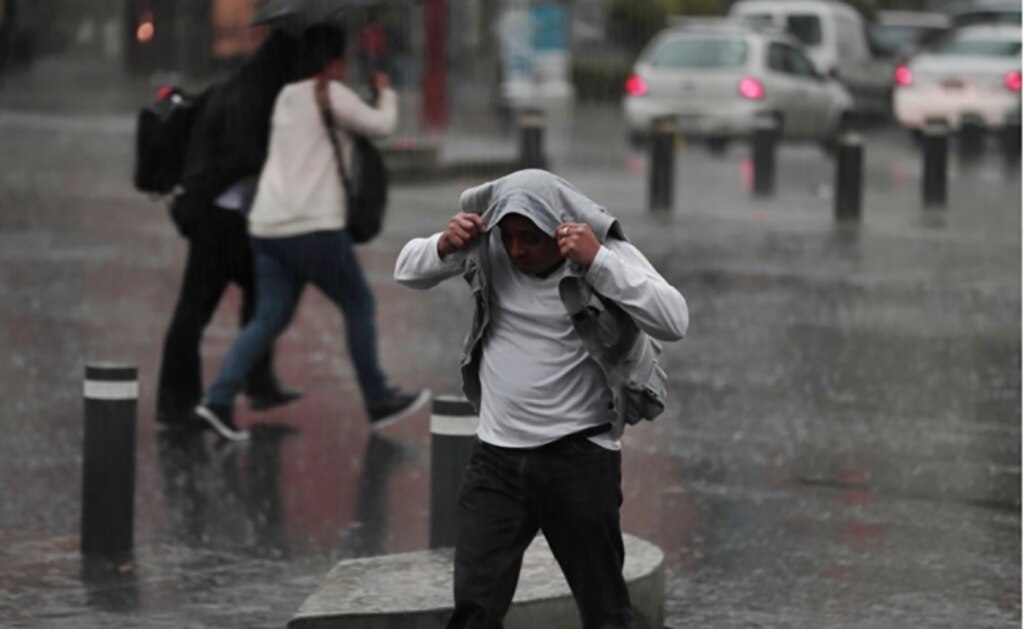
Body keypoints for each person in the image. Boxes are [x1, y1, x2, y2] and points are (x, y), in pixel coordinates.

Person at [394, 169, 689, 629]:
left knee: (606, 613)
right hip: (496, 460)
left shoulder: (602, 251)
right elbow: (406, 271)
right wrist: (442, 246)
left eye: (529, 239)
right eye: (508, 237)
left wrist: (599, 264)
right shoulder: (490, 246)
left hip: (579, 458)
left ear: (559, 229)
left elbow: (674, 319)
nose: (516, 250)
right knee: (474, 609)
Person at [192, 25, 428, 442]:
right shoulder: (332, 94)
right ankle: (377, 398)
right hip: (313, 228)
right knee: (359, 302)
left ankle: (217, 399)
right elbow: (381, 125)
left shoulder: (286, 95)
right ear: (334, 62)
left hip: (267, 226)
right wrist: (384, 90)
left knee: (269, 317)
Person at [155, 29, 321, 428]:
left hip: (227, 218)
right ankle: (179, 406)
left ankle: (254, 382)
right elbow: (244, 155)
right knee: (198, 311)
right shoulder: (253, 97)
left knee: (261, 295)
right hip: (220, 220)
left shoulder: (235, 87)